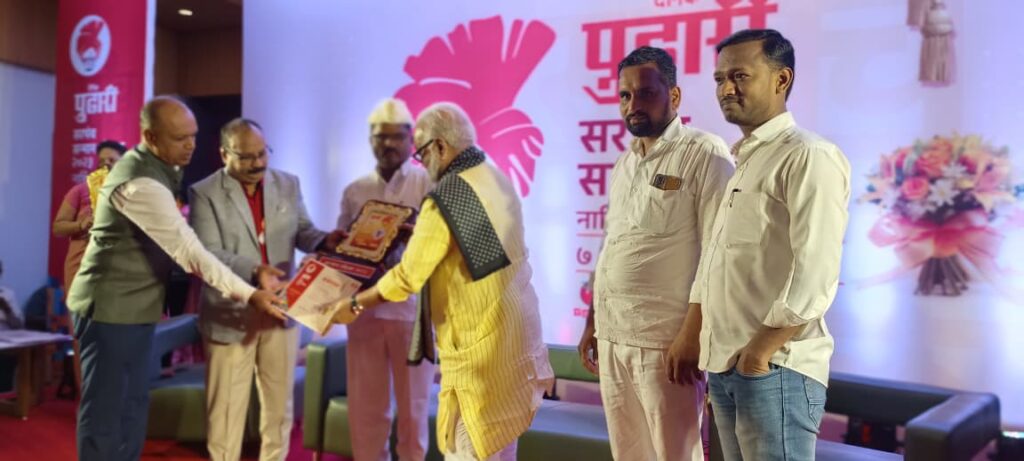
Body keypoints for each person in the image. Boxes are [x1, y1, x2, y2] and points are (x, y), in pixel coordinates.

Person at [66, 96, 285, 461]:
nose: (191, 145)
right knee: (106, 410)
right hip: (107, 308)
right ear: (150, 137)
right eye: (180, 138)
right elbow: (189, 252)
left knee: (133, 405)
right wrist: (250, 294)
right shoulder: (139, 183)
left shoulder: (161, 166)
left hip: (135, 308)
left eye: (194, 136)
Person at [335, 103, 553, 461]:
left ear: (439, 146)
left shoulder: (445, 196)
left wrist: (357, 303)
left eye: (422, 152)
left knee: (465, 446)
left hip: (478, 346)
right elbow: (474, 249)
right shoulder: (493, 177)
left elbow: (408, 277)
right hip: (516, 337)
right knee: (500, 448)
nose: (422, 162)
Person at [680, 29, 851, 460]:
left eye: (739, 76)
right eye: (720, 79)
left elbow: (817, 270)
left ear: (781, 79)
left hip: (775, 367)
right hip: (727, 364)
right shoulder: (746, 158)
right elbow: (717, 260)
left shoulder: (808, 154)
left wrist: (760, 353)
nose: (726, 89)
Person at [575, 46, 735, 461]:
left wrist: (693, 335)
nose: (633, 105)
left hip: (666, 344)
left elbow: (718, 253)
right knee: (628, 455)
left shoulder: (704, 153)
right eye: (625, 96)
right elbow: (611, 244)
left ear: (674, 96)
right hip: (613, 336)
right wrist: (593, 321)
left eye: (645, 93)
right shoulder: (624, 164)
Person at [189, 118, 344, 461]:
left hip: (281, 309)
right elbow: (206, 253)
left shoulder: (288, 183)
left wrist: (324, 241)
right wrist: (254, 270)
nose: (257, 163)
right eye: (246, 157)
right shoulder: (204, 192)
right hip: (230, 313)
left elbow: (303, 231)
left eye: (262, 153)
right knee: (225, 412)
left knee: (279, 409)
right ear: (224, 154)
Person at [336, 98, 435, 461]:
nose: (388, 144)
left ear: (411, 139)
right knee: (366, 408)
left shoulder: (429, 183)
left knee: (414, 408)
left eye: (396, 137)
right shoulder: (355, 190)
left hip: (413, 311)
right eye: (381, 137)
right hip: (364, 311)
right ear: (370, 140)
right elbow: (342, 251)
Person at [52, 140, 126, 292]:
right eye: (101, 160)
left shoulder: (132, 193)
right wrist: (80, 225)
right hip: (81, 266)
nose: (106, 164)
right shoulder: (80, 190)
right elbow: (57, 228)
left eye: (111, 160)